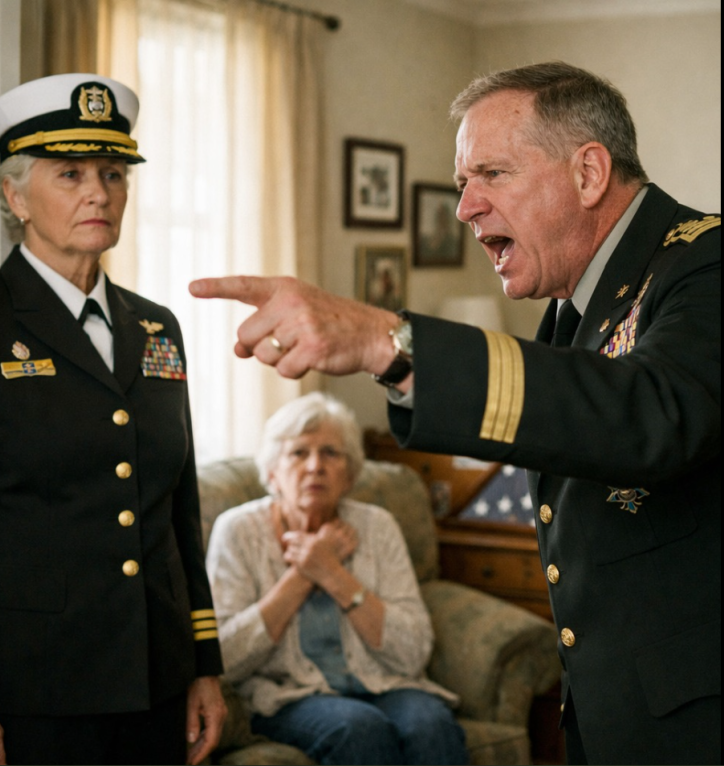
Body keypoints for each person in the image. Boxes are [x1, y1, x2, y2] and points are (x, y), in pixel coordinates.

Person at [189, 61, 721, 765]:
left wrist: (387, 341)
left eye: (491, 174)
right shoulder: (573, 308)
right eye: (463, 182)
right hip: (619, 712)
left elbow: (653, 413)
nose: (465, 208)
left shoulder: (705, 264)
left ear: (589, 173)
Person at [0, 73, 226, 766]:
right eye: (70, 173)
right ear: (15, 197)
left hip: (155, 677)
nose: (98, 193)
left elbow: (180, 512)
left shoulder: (157, 327)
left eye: (112, 173)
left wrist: (204, 663)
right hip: (32, 690)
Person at [205, 393, 468, 765]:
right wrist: (303, 574)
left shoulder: (377, 527)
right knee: (359, 729)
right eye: (299, 453)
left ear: (350, 474)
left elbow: (413, 652)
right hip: (288, 695)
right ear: (272, 472)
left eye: (330, 453)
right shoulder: (238, 531)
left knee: (432, 726)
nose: (315, 466)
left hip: (383, 684)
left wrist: (333, 574)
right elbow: (224, 657)